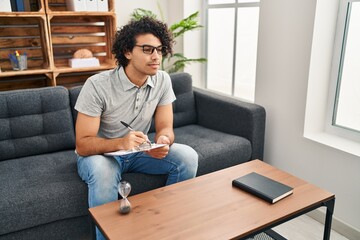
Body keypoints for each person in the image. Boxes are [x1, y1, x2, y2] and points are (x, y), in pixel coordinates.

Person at [74, 17, 199, 240]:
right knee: (104, 172)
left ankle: (165, 228)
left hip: (138, 151)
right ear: (127, 52)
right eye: (148, 49)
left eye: (160, 50)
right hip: (100, 155)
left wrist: (162, 141)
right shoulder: (97, 85)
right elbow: (83, 144)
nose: (156, 57)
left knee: (187, 157)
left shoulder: (162, 80)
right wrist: (120, 143)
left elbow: (165, 127)